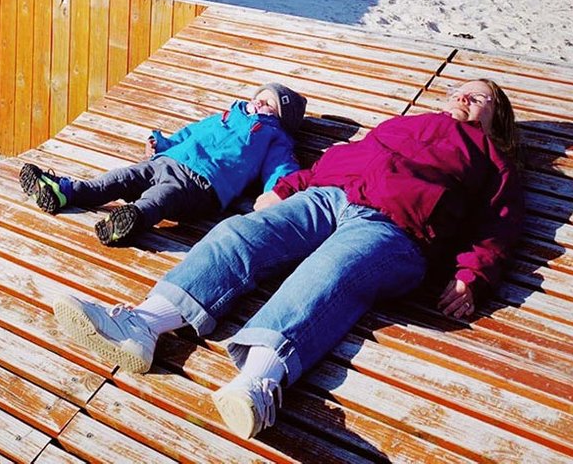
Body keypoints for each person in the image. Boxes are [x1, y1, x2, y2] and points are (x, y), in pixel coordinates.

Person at [51, 79, 523, 439]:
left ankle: (259, 381)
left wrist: (472, 275)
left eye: (478, 97)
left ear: (494, 118)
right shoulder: (403, 125)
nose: (463, 97)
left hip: (396, 228)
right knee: (240, 232)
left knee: (331, 270)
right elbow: (341, 161)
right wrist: (285, 188)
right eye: (460, 90)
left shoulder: (490, 158)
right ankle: (144, 324)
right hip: (331, 197)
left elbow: (497, 224)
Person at [20, 83, 307, 246]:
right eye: (258, 97)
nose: (258, 104)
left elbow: (280, 169)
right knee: (121, 177)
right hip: (166, 161)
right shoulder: (224, 116)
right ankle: (66, 191)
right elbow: (189, 134)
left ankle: (131, 220)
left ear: (280, 118)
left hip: (201, 185)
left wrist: (278, 192)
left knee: (162, 197)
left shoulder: (274, 137)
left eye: (268, 104)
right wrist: (162, 143)